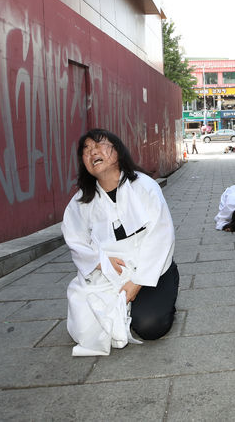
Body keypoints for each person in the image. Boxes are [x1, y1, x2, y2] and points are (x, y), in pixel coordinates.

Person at [62, 129, 179, 356]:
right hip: (108, 274)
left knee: (149, 327)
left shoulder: (144, 187)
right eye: (85, 150)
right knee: (85, 328)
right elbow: (74, 238)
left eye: (100, 145)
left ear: (118, 151)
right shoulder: (81, 201)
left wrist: (137, 281)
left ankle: (167, 291)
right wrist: (98, 261)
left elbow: (161, 235)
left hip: (150, 271)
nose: (92, 151)